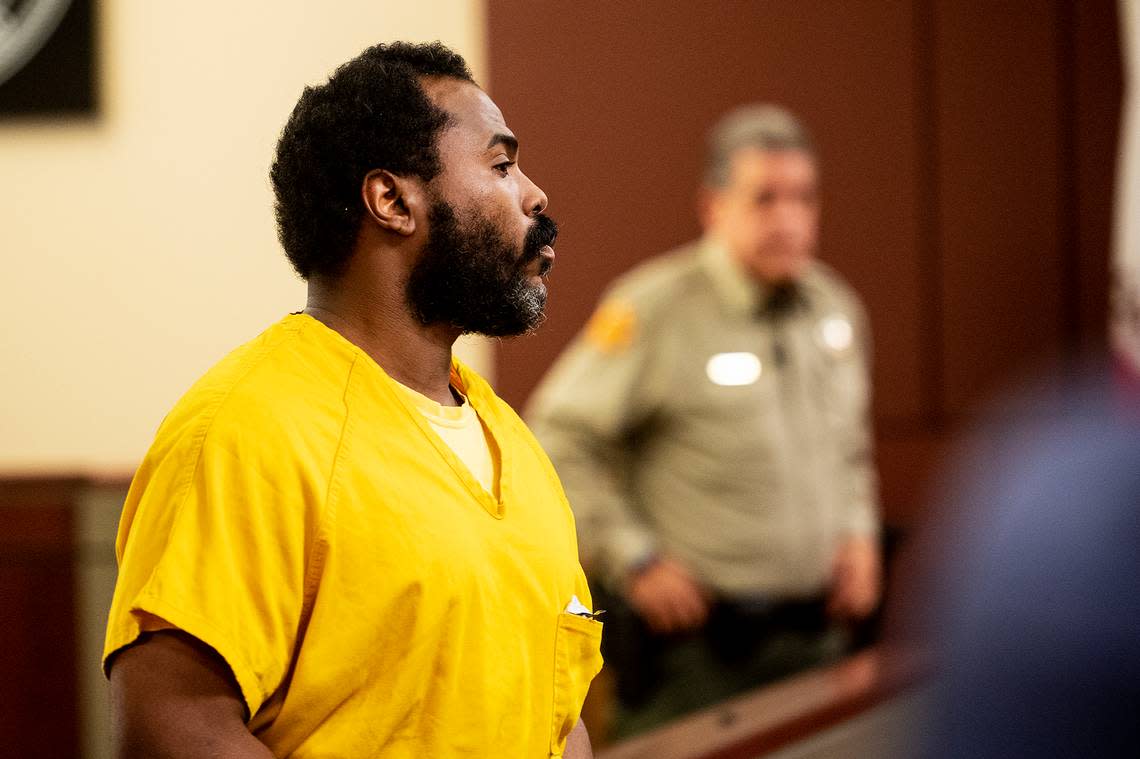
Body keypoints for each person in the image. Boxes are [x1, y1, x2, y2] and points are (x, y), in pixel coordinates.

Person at [103, 42, 601, 758]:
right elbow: (170, 726)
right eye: (500, 164)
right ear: (394, 200)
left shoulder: (513, 444)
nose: (534, 195)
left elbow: (564, 718)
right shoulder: (244, 428)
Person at [527, 104, 881, 736]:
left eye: (803, 198)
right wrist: (631, 558)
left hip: (816, 640)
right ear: (714, 207)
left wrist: (858, 530)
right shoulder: (659, 308)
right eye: (765, 199)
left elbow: (849, 447)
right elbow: (559, 438)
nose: (789, 220)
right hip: (698, 660)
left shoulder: (834, 308)